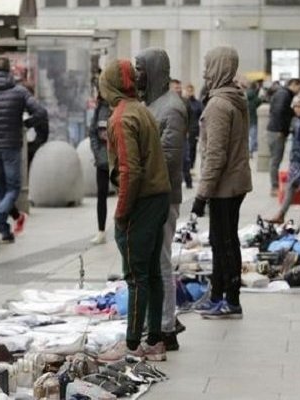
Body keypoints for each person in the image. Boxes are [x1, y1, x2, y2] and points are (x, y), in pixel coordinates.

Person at [99, 59, 170, 360]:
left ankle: (132, 344)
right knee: (152, 273)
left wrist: (121, 212)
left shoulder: (121, 117)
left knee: (136, 276)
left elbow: (129, 170)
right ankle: (154, 340)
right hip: (158, 197)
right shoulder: (142, 109)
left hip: (141, 201)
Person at [191, 46, 252, 319]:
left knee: (225, 242)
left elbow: (214, 155)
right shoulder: (233, 98)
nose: (204, 71)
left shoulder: (218, 105)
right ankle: (217, 295)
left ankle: (231, 300)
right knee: (221, 240)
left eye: (208, 65)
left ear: (219, 68)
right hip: (233, 181)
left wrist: (201, 195)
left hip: (224, 185)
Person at [135, 47, 188, 351]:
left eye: (141, 68)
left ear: (154, 71)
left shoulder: (171, 108)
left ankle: (166, 326)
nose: (137, 74)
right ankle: (155, 321)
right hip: (149, 195)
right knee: (150, 262)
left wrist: (137, 175)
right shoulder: (152, 105)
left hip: (162, 197)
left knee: (161, 261)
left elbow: (167, 158)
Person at [0, 56, 47, 247]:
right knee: (13, 188)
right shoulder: (20, 92)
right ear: (10, 71)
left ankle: (4, 232)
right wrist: (26, 123)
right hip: (12, 145)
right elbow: (40, 112)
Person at [264, 92, 300, 224]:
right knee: (291, 186)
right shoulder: (296, 121)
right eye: (295, 106)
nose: (297, 109)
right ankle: (282, 214)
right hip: (296, 160)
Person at [266, 78, 300, 197]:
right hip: (277, 132)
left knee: (275, 159)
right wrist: (281, 129)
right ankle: (274, 187)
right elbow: (278, 111)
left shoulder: (282, 93)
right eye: (299, 87)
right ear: (293, 84)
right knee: (275, 160)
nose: (299, 91)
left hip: (274, 130)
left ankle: (274, 186)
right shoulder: (284, 94)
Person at [88, 93, 110, 245]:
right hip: (103, 159)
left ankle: (127, 229)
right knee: (101, 194)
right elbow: (93, 132)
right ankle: (101, 231)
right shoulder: (101, 107)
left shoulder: (123, 103)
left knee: (126, 195)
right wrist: (98, 153)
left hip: (121, 159)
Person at [183, 83, 202, 188]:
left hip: (194, 129)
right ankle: (187, 170)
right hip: (185, 130)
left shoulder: (197, 103)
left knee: (193, 149)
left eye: (191, 90)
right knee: (186, 150)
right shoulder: (183, 102)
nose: (189, 92)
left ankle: (191, 168)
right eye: (188, 90)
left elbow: (201, 113)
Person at [246, 81, 262, 158]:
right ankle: (250, 151)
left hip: (246, 119)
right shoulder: (255, 96)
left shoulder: (245, 94)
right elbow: (259, 101)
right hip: (253, 118)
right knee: (253, 136)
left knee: (247, 136)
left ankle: (247, 150)